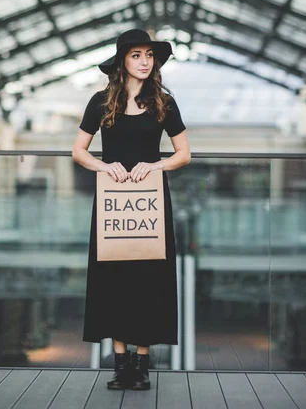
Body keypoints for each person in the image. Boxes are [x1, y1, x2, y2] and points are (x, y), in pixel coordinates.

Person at [72, 28, 191, 391]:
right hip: (112, 203)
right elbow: (78, 151)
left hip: (151, 203)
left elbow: (184, 154)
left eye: (149, 55)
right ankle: (120, 364)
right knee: (114, 279)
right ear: (123, 59)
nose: (144, 61)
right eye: (137, 55)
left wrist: (156, 165)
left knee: (149, 280)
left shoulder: (164, 103)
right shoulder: (99, 102)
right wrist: (104, 166)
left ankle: (142, 363)